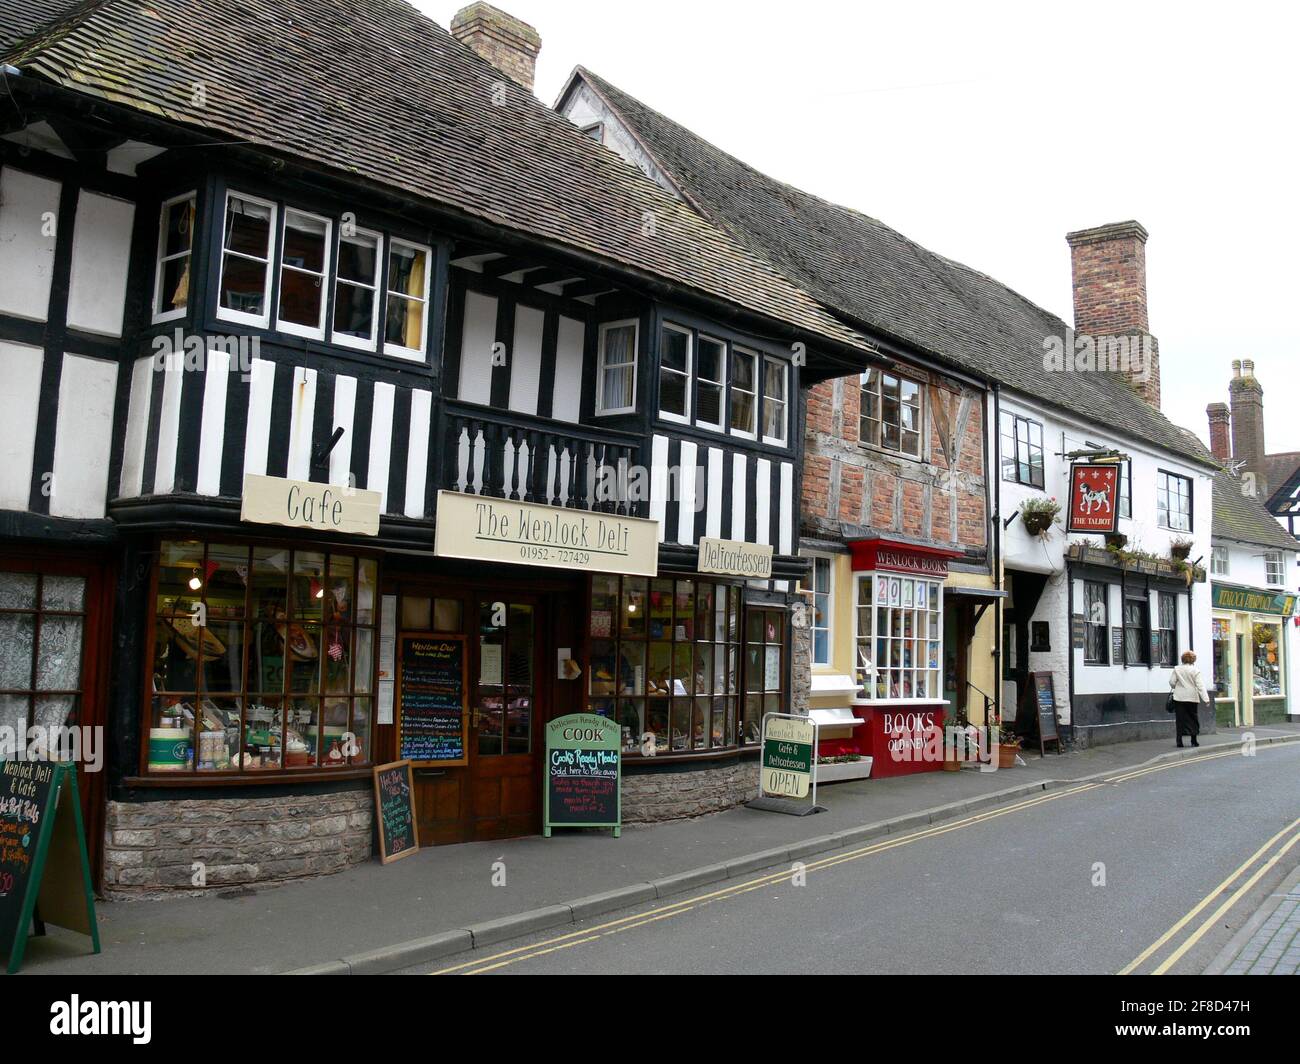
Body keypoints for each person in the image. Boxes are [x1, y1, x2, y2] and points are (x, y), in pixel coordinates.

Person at [1169, 650, 1210, 748]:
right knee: (1193, 719)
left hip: (1179, 698)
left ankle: (1179, 741)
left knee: (1180, 720)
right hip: (1192, 698)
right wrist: (1206, 699)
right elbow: (1200, 686)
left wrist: (1177, 687)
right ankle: (1194, 740)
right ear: (1193, 660)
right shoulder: (1195, 671)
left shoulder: (1177, 669)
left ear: (1183, 659)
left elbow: (1171, 682)